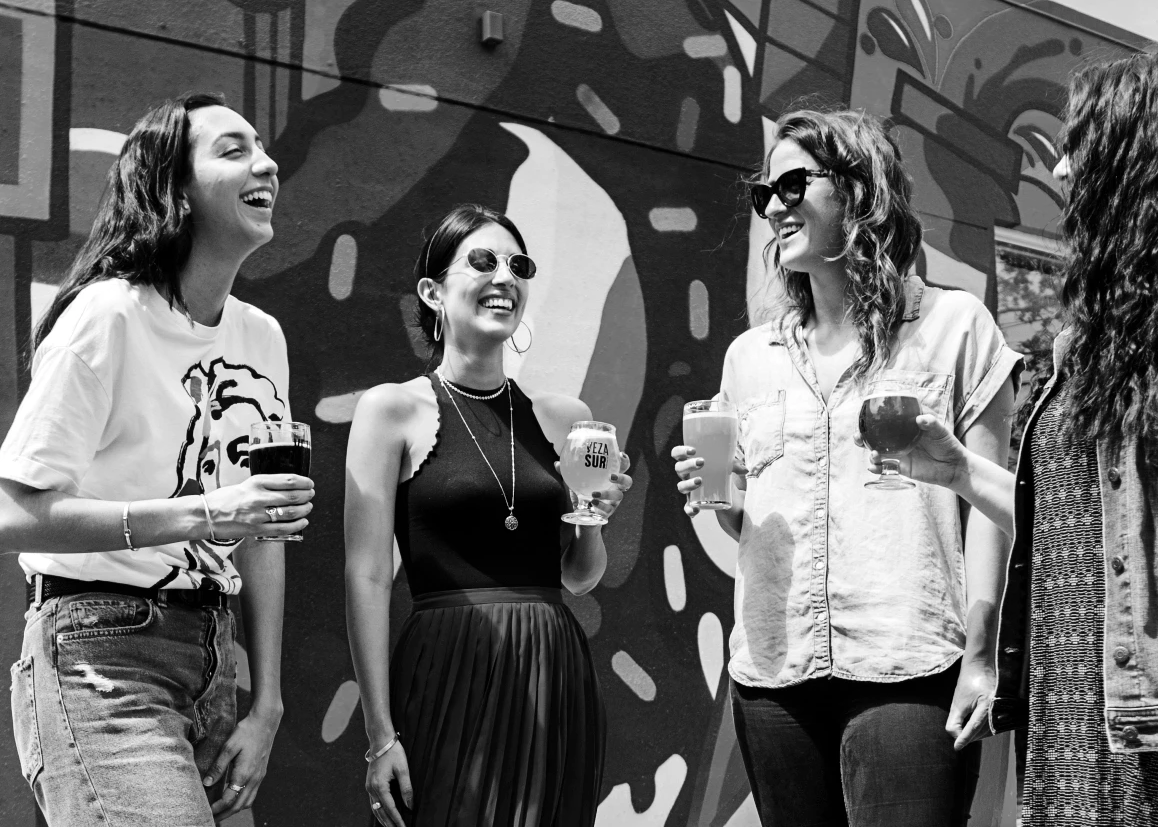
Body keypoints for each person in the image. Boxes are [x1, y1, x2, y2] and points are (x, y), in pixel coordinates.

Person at [864, 51, 1158, 827]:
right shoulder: (1089, 338)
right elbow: (1077, 531)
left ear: (1140, 153)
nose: (1058, 168)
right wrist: (958, 472)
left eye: (1078, 144)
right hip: (1071, 731)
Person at [671, 108, 1022, 826]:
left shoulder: (955, 327)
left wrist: (984, 657)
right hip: (774, 675)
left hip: (911, 665)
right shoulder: (749, 358)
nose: (774, 207)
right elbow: (751, 523)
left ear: (860, 189)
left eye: (793, 184)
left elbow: (993, 512)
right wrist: (726, 501)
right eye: (764, 193)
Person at [1, 93, 312, 826]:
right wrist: (205, 512)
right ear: (176, 188)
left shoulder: (262, 338)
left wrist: (266, 705)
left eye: (263, 147)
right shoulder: (108, 314)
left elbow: (262, 530)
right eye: (234, 150)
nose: (266, 163)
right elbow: (12, 514)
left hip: (213, 659)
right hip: (99, 652)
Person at [344, 204, 631, 827]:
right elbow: (366, 576)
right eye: (482, 260)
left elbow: (579, 576)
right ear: (433, 292)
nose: (505, 276)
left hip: (552, 670)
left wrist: (595, 517)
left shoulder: (568, 418)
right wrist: (380, 734)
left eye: (518, 265)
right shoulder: (390, 410)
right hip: (447, 668)